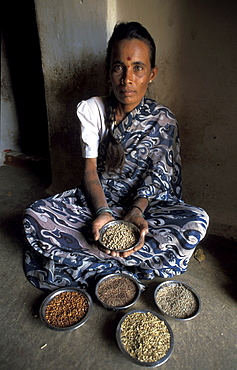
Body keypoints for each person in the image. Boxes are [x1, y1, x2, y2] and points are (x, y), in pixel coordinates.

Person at [23, 22, 209, 291]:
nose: (127, 79)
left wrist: (135, 213)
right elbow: (90, 172)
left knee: (196, 222)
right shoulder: (92, 110)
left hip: (145, 208)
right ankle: (127, 262)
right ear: (108, 72)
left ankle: (91, 260)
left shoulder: (163, 120)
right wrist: (102, 214)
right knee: (34, 217)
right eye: (119, 67)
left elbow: (159, 178)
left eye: (138, 67)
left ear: (152, 73)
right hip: (98, 203)